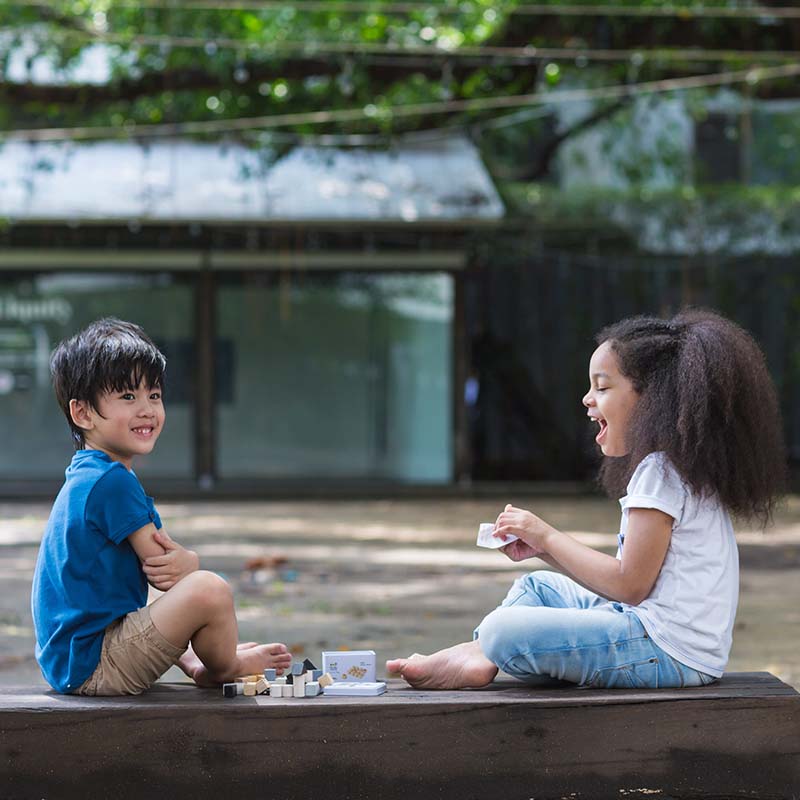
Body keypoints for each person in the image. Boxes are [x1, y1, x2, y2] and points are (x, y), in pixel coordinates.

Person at [387, 309, 786, 690]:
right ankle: (479, 654)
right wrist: (543, 552)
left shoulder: (661, 474)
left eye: (603, 386)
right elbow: (631, 586)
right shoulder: (674, 469)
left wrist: (544, 534)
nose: (587, 399)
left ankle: (486, 647)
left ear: (651, 399)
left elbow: (629, 586)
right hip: (657, 636)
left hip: (665, 651)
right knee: (539, 587)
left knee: (502, 630)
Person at [31, 318, 291, 695]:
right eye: (127, 397)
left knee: (167, 594)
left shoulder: (88, 473)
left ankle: (196, 662)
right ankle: (225, 666)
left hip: (73, 660)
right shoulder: (111, 481)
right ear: (83, 413)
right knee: (209, 590)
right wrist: (191, 561)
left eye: (153, 395)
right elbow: (165, 571)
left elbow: (122, 593)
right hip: (94, 664)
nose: (147, 409)